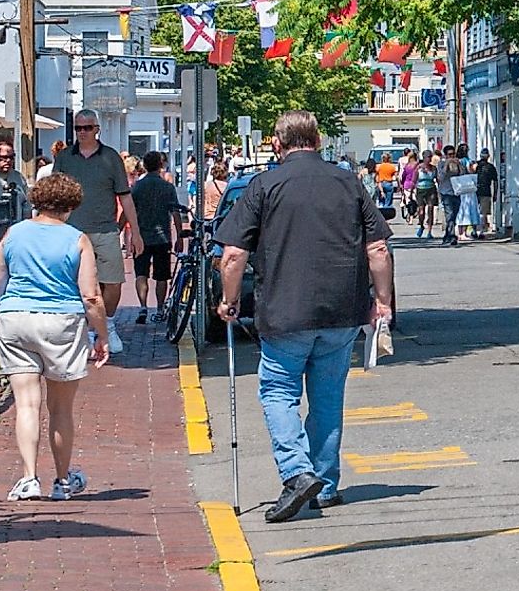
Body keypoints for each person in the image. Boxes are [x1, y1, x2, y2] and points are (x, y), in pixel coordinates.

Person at [215, 111, 396, 523]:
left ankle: (297, 472)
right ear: (316, 140)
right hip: (341, 311)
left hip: (284, 312)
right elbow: (379, 249)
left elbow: (233, 254)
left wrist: (229, 300)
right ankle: (326, 485)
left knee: (278, 391)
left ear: (277, 144)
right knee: (328, 398)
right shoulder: (349, 182)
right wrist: (381, 300)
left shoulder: (264, 186)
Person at [0, 168, 110, 501]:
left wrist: (2, 314)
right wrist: (101, 335)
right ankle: (61, 480)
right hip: (61, 322)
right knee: (60, 409)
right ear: (70, 206)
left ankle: (29, 478)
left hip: (16, 318)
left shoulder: (13, 234)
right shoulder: (77, 239)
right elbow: (90, 295)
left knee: (26, 404)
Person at [54, 112, 134, 355]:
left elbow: (125, 196)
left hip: (105, 230)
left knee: (113, 282)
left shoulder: (110, 157)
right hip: (71, 231)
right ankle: (88, 330)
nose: (82, 132)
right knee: (74, 284)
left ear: (96, 129)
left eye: (87, 127)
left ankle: (107, 324)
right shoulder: (65, 157)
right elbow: (54, 193)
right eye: (78, 128)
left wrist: (136, 232)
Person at [130, 149, 184, 324]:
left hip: (142, 237)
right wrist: (180, 237)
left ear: (144, 166)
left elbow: (129, 210)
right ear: (161, 165)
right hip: (162, 238)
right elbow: (175, 213)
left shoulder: (137, 187)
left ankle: (143, 306)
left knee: (141, 273)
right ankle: (160, 308)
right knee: (162, 276)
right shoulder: (167, 187)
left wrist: (120, 228)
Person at [446, 147, 479, 246]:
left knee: (461, 210)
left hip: (458, 187)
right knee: (467, 210)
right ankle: (463, 232)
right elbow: (471, 171)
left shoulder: (456, 161)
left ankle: (459, 232)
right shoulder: (466, 161)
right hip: (467, 186)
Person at [473, 149, 500, 240]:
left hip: (474, 190)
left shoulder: (475, 166)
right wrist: (495, 193)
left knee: (474, 211)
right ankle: (481, 231)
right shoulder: (491, 167)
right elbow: (495, 182)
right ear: (488, 157)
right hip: (486, 191)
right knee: (483, 212)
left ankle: (474, 230)